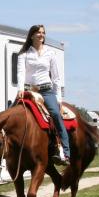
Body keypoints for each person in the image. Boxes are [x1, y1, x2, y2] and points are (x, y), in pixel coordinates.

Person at [19, 24, 70, 166]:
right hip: (29, 91)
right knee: (11, 112)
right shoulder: (24, 54)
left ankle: (65, 153)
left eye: (43, 33)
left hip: (47, 91)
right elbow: (21, 73)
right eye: (38, 33)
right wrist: (20, 89)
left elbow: (56, 78)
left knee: (55, 114)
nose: (41, 35)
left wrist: (59, 98)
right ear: (31, 35)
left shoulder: (50, 54)